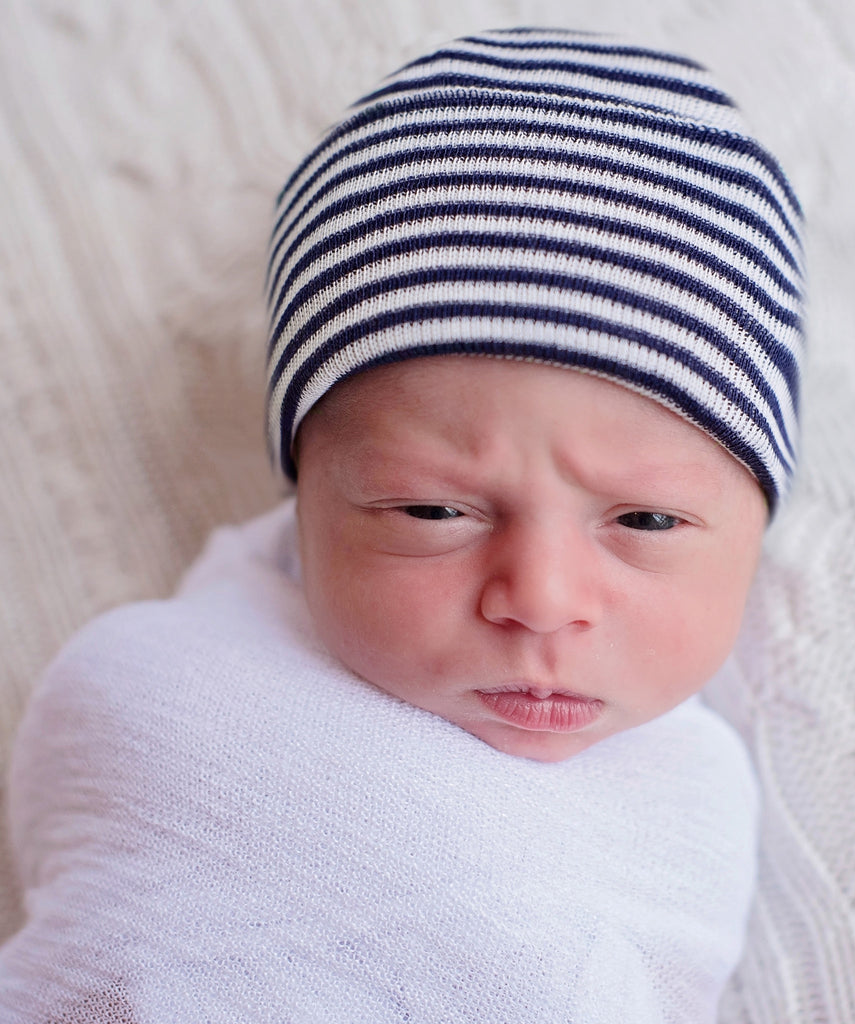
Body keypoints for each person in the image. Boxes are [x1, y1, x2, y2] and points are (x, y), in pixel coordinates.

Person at [0, 27, 804, 1023]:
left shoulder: (690, 812)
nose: (542, 597)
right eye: (431, 509)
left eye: (644, 517)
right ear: (306, 496)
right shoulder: (162, 694)